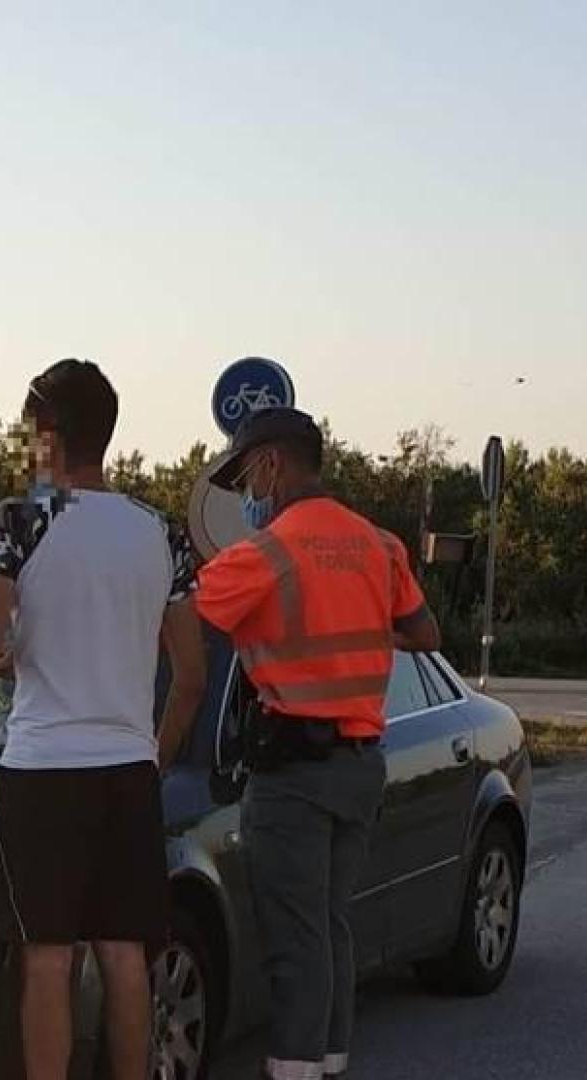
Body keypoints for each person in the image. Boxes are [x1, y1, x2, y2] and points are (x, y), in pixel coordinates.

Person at [0, 359, 207, 1080]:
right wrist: (152, 759)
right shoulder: (159, 532)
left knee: (46, 958)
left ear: (47, 434)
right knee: (127, 954)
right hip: (127, 770)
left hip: (41, 772)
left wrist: (14, 658)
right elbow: (190, 676)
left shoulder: (19, 519)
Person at [194, 407, 440, 1080]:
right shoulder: (379, 545)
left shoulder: (264, 554)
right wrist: (360, 631)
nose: (247, 491)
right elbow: (424, 634)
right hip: (360, 766)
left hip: (293, 774)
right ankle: (329, 1059)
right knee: (329, 925)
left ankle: (295, 1069)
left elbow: (183, 626)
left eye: (246, 473)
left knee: (294, 938)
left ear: (272, 463)